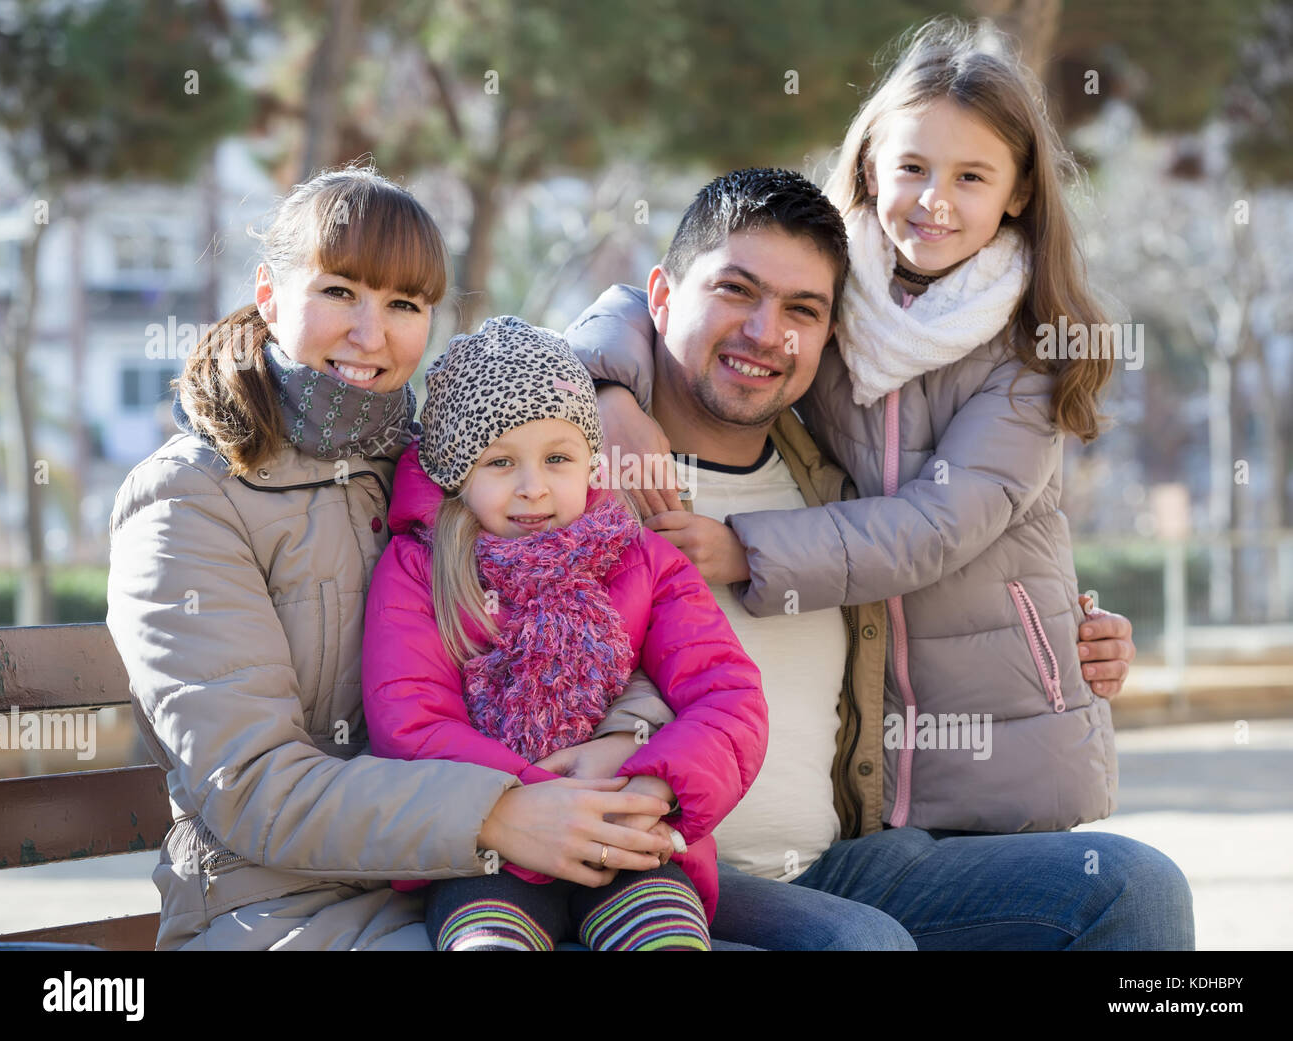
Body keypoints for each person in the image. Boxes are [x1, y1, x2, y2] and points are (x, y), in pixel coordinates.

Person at [568, 163, 1194, 945]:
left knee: (1134, 890)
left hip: (840, 865)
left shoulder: (837, 485)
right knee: (862, 945)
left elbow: (952, 560)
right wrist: (598, 390)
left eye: (803, 308)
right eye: (736, 291)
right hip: (659, 871)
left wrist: (1079, 629)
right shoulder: (564, 471)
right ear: (661, 297)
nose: (767, 333)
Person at [105, 165, 688, 951]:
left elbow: (616, 618)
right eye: (340, 291)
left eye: (404, 304)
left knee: (851, 937)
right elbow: (251, 786)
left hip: (479, 879)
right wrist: (496, 814)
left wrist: (626, 741)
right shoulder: (188, 501)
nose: (371, 334)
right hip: (284, 906)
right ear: (271, 294)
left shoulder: (444, 478)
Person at [359, 316, 773, 950]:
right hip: (487, 849)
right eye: (499, 462)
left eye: (557, 458)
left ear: (589, 461)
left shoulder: (641, 559)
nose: (534, 488)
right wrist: (535, 801)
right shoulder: (421, 568)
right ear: (456, 476)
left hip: (629, 833)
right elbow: (410, 722)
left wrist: (652, 784)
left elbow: (729, 696)